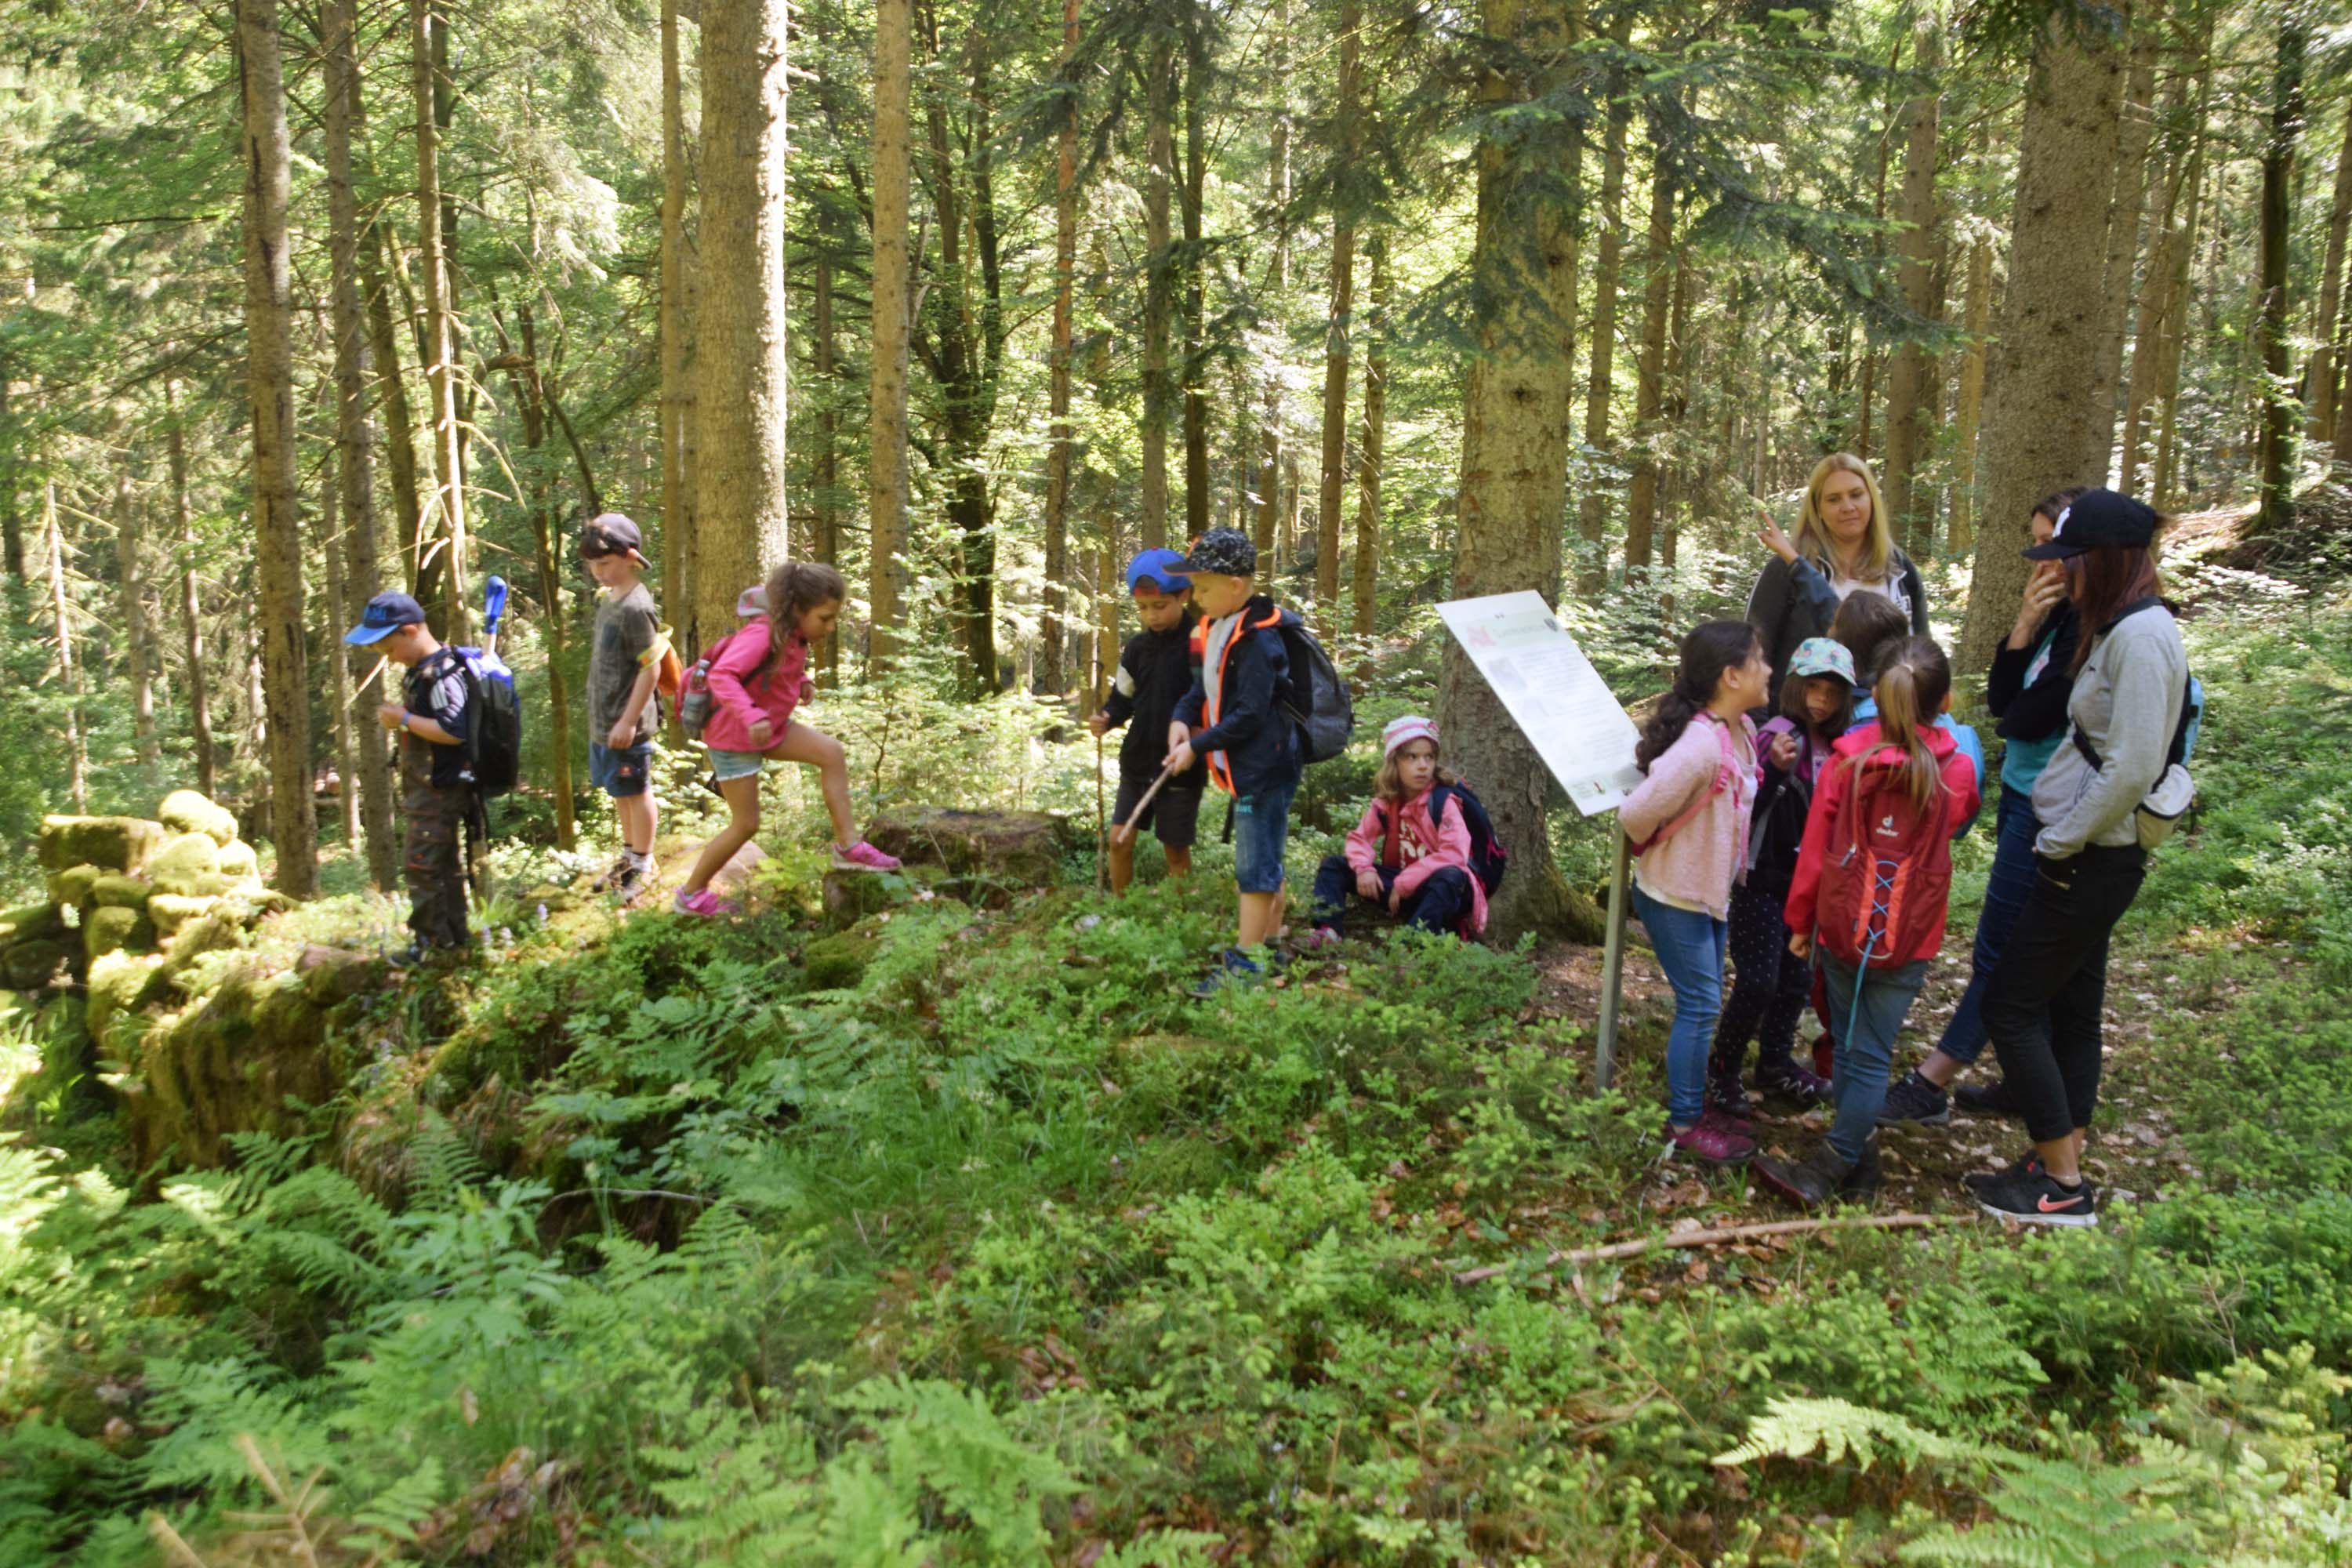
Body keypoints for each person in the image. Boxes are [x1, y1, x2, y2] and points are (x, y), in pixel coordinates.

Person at [1970, 489, 2187, 1227]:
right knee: (2072, 1006)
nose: (2062, 575)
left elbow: (2130, 767)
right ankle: (2061, 1155)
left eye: (2071, 560)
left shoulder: (2142, 639)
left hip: (2090, 856)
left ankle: (2061, 1187)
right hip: (2088, 851)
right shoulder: (2121, 627)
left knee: (2011, 1002)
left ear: (2105, 560)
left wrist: (2059, 839)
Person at [1878, 488, 2086, 1127]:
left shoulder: (2091, 627)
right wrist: (2023, 626)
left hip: (2057, 803)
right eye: (2037, 550)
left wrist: (2022, 706)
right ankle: (2028, 1083)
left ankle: (1932, 1080)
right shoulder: (2054, 616)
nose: (2041, 566)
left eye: (2053, 549)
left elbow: (2027, 715)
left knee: (2002, 948)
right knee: (2035, 950)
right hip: (2028, 791)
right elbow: (2003, 703)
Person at [1755, 637, 1980, 1208]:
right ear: (1945, 699)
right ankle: (1863, 1167)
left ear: (1874, 695)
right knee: (1870, 1051)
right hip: (1912, 933)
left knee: (1854, 1050)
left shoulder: (1847, 760)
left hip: (1840, 922)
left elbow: (1814, 853)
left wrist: (1800, 922)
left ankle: (1830, 1164)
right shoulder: (1956, 769)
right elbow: (1956, 823)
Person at [1617, 620, 1772, 1166]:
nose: (1769, 670)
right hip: (1674, 894)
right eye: (1761, 661)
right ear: (1732, 676)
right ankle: (1684, 1120)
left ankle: (1694, 1106)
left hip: (1709, 893)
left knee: (1704, 1003)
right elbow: (1635, 815)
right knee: (1702, 1005)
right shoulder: (1702, 746)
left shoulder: (1743, 730)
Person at [673, 561, 900, 916]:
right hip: (734, 735)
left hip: (768, 729)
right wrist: (751, 714)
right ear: (797, 609)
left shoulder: (792, 634)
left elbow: (776, 668)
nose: (831, 626)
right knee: (746, 824)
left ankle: (848, 847)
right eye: (825, 617)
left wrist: (801, 681)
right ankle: (690, 894)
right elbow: (723, 676)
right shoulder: (761, 633)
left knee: (831, 753)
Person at [1708, 637, 1855, 1121]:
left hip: (1805, 886)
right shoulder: (1776, 735)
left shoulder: (1837, 747)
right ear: (1795, 685)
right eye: (1813, 687)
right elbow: (1747, 805)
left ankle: (1773, 1064)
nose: (1821, 700)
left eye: (1832, 693)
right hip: (1760, 879)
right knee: (1757, 980)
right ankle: (1722, 1070)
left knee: (1796, 980)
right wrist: (1775, 770)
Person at [1166, 528, 1305, 996]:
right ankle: (1270, 946)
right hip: (1250, 766)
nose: (1195, 598)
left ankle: (1247, 967)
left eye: (1203, 588)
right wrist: (1182, 720)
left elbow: (1248, 715)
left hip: (1266, 768)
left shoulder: (1260, 642)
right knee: (1266, 857)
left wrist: (1198, 747)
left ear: (1237, 586)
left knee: (1255, 867)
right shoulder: (1218, 628)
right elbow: (1199, 689)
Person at [346, 590, 476, 967]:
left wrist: (402, 719)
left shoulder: (442, 673)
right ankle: (452, 940)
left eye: (389, 648)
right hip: (427, 787)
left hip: (439, 787)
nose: (388, 658)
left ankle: (431, 946)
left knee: (422, 863)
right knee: (442, 862)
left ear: (410, 630)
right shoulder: (422, 672)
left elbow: (455, 730)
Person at [1747, 454, 1930, 691]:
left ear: (1872, 499)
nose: (1848, 507)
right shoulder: (1787, 568)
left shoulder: (1900, 569)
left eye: (1856, 495)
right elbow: (1754, 652)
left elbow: (1922, 650)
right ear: (1818, 509)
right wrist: (1761, 724)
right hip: (1803, 721)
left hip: (1885, 720)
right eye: (1834, 499)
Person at [1304, 716, 1486, 946]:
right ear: (1395, 761)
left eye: (1429, 757)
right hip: (1400, 888)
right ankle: (1328, 931)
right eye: (1412, 757)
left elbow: (1454, 855)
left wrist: (1405, 882)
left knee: (1451, 875)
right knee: (1334, 865)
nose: (1423, 765)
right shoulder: (1387, 802)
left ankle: (1414, 944)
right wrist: (1364, 869)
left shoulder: (1443, 801)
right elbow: (1359, 839)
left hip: (1440, 891)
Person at [1090, 548, 1206, 893]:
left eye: (1159, 606)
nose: (1151, 616)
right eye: (1142, 608)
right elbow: (1123, 697)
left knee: (1175, 850)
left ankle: (1182, 920)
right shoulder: (1138, 648)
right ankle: (1121, 910)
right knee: (1118, 840)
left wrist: (1199, 741)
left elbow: (1212, 698)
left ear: (1183, 595)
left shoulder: (1199, 643)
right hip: (1138, 760)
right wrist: (1107, 717)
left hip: (1180, 764)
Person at [580, 514, 667, 906]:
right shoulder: (610, 599)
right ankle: (629, 856)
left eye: (605, 564)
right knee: (620, 791)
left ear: (630, 557)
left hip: (626, 723)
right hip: (605, 722)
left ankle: (644, 865)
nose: (599, 573)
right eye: (593, 566)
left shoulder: (637, 607)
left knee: (637, 789)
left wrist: (629, 720)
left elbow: (653, 668)